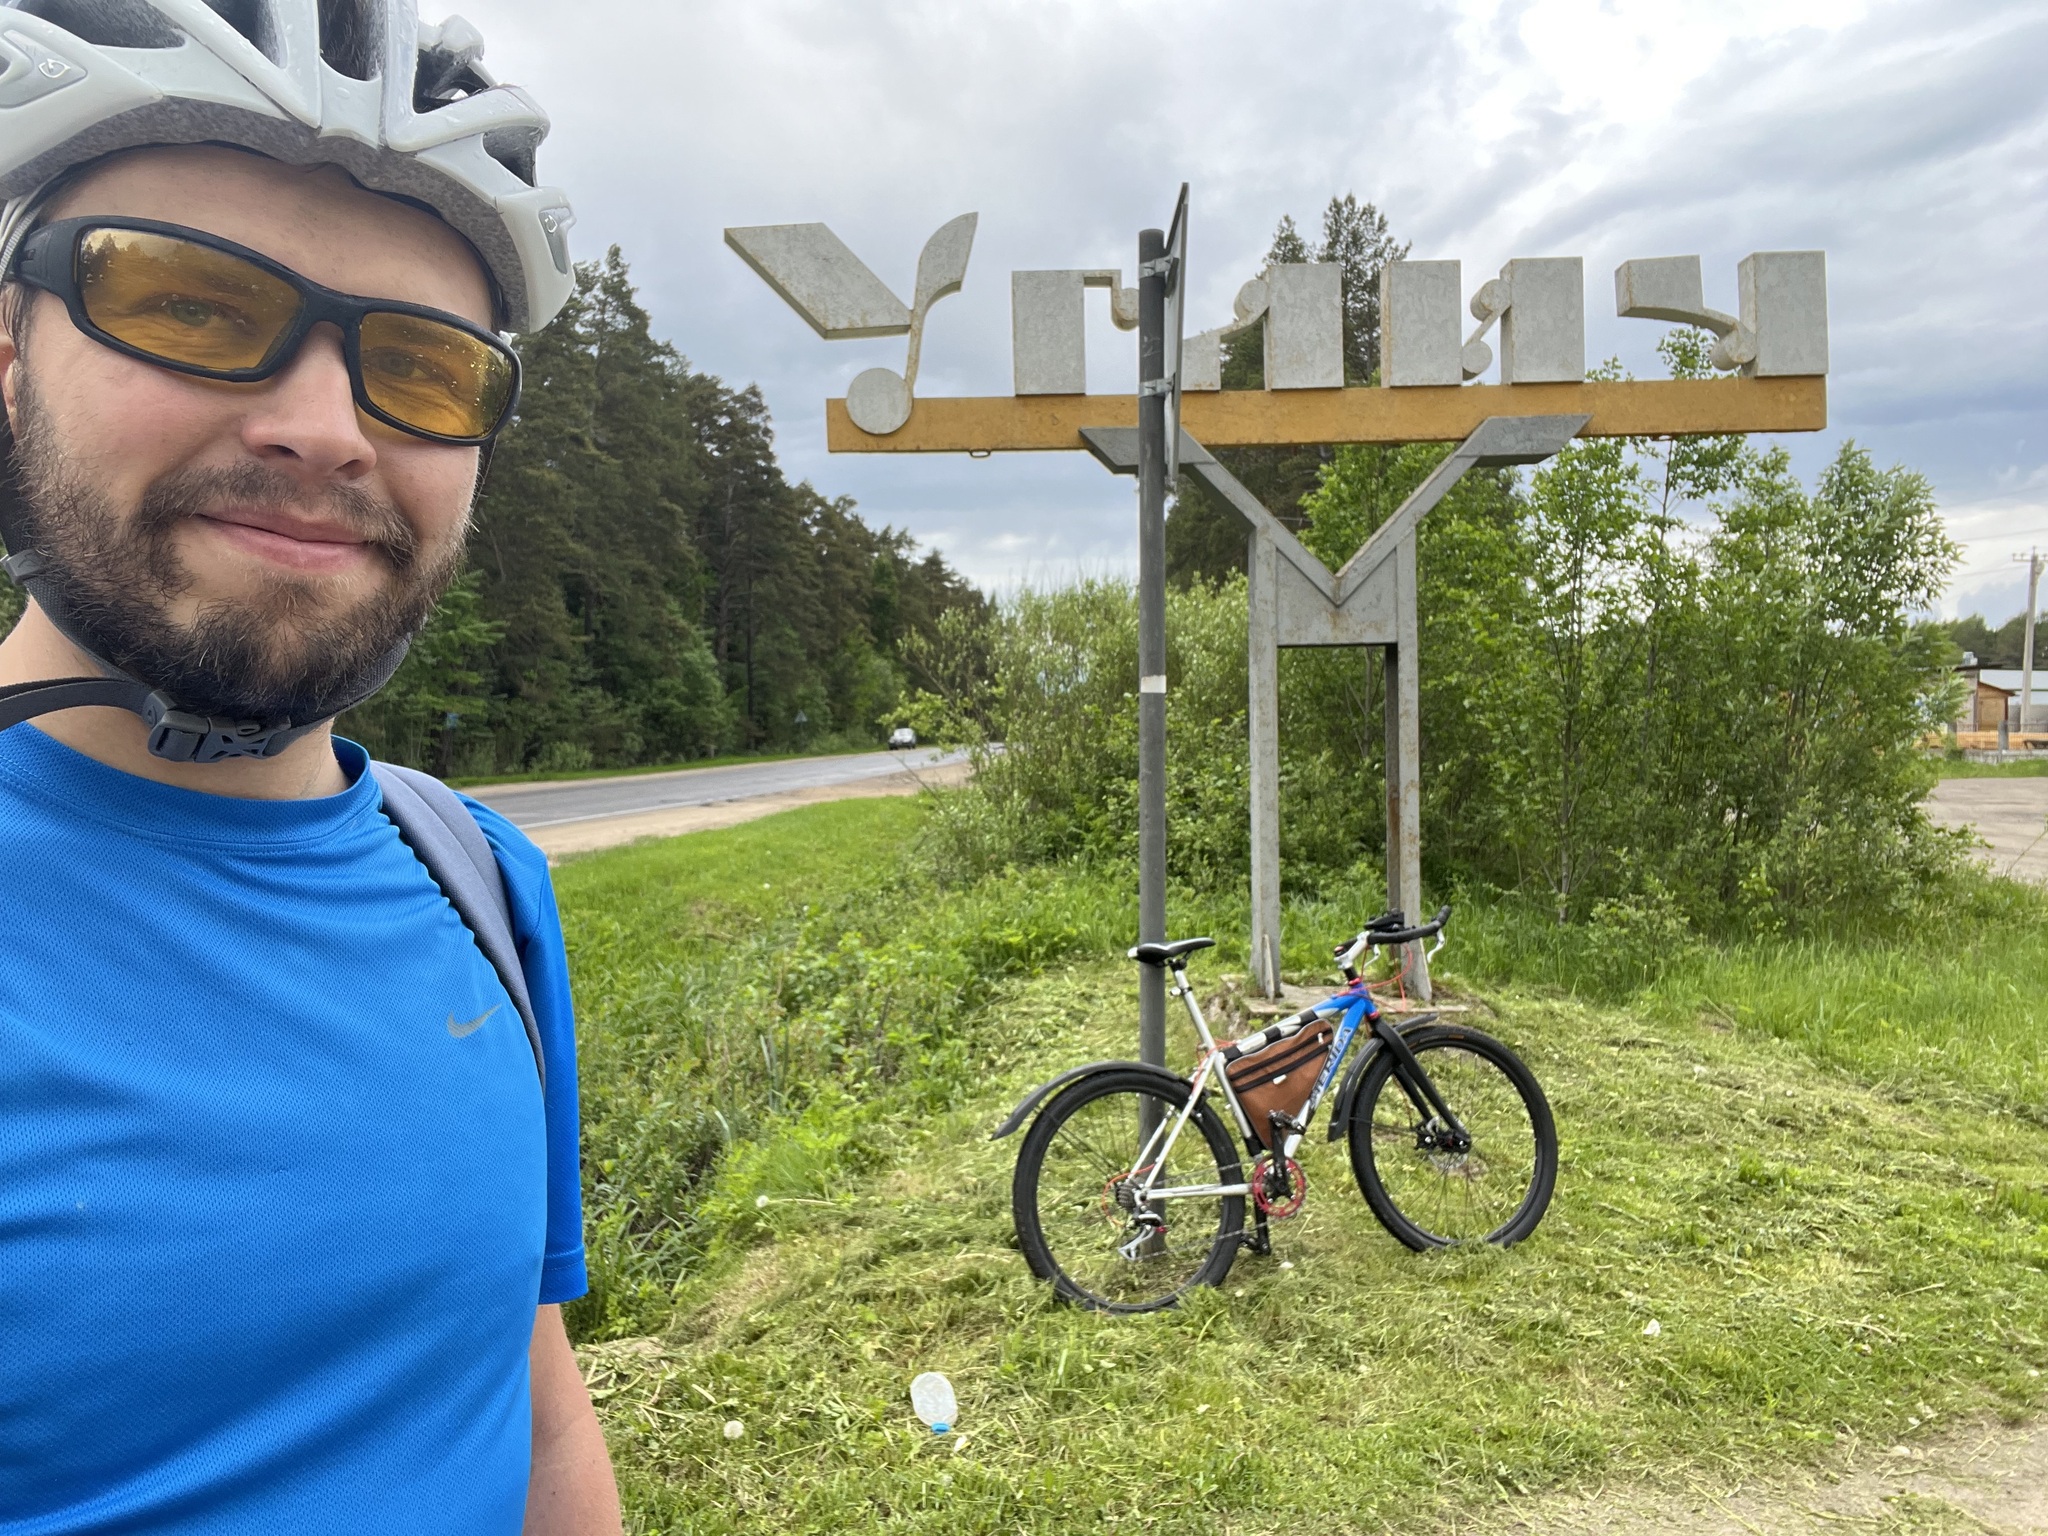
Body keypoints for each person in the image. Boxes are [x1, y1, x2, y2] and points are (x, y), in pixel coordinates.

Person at [0, 2, 619, 1530]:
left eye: (423, 364)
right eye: (193, 303)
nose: (324, 428)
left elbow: (541, 1433)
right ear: (8, 359)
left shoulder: (475, 879)